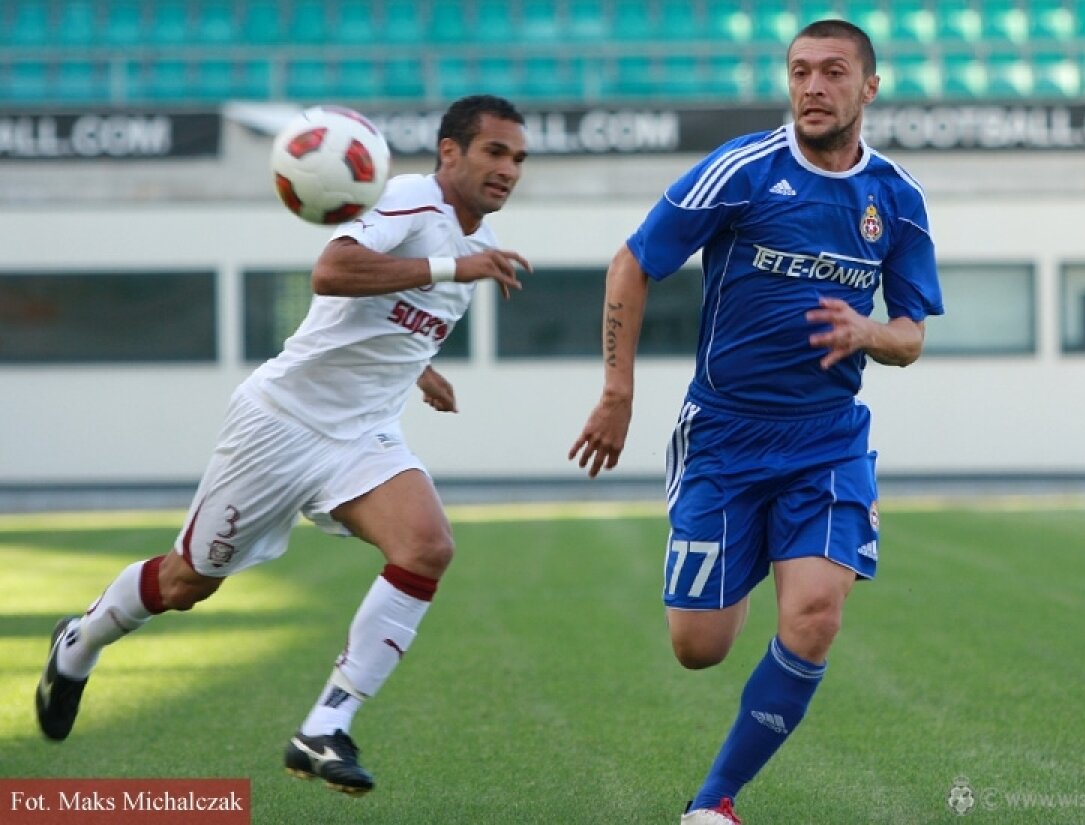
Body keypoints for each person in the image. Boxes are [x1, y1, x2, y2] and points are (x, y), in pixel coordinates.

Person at [35, 94, 531, 797]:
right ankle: (78, 641)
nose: (508, 168)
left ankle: (324, 727)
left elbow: (374, 315)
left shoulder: (472, 246)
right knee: (187, 582)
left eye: (517, 157)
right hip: (282, 425)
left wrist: (420, 368)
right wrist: (453, 273)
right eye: (495, 152)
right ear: (449, 152)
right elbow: (332, 272)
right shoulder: (415, 202)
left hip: (362, 433)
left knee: (427, 546)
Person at [570, 20, 943, 824]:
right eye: (800, 71)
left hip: (827, 439)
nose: (812, 86)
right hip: (726, 435)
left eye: (833, 72)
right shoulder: (744, 170)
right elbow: (633, 260)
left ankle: (713, 803)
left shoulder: (897, 200)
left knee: (814, 614)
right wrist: (617, 391)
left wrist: (868, 332)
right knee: (698, 646)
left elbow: (911, 334)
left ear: (868, 88)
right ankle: (732, 561)